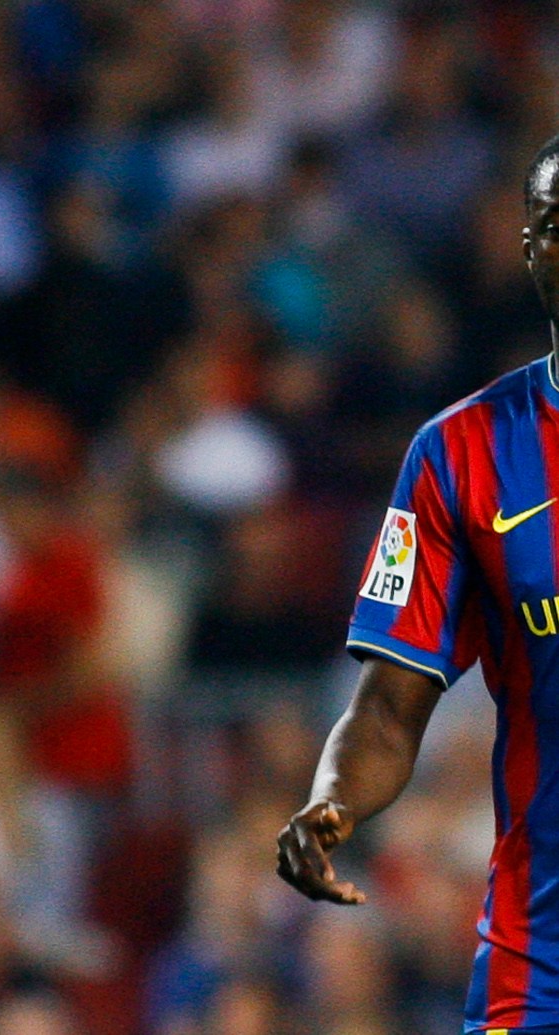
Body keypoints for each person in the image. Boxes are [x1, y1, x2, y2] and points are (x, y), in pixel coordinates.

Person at [277, 131, 559, 1035]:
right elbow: (390, 706)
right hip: (542, 949)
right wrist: (331, 798)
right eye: (557, 225)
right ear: (527, 250)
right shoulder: (459, 452)